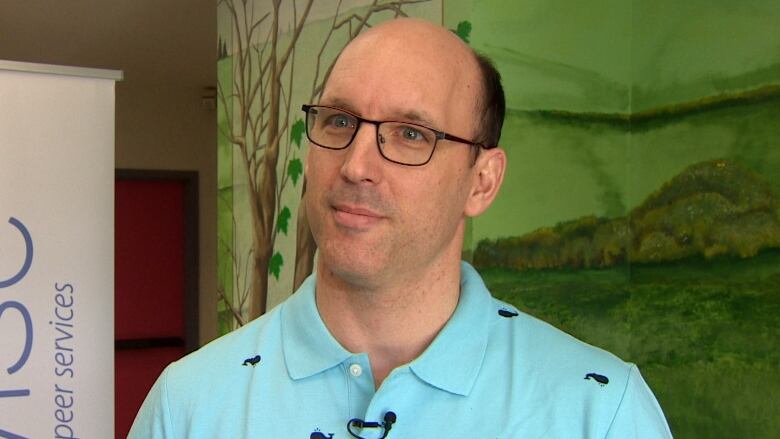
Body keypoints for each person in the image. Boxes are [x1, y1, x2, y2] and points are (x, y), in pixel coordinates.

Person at [129, 18, 672, 438]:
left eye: (411, 133)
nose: (356, 164)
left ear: (482, 181)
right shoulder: (190, 405)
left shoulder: (598, 413)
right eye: (339, 121)